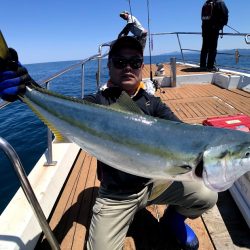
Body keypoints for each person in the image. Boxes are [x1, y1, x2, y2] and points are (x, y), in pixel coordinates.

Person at [0, 36, 218, 250]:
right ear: (109, 66)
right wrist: (27, 88)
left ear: (142, 66)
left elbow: (183, 133)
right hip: (116, 196)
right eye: (120, 62)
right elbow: (68, 110)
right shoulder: (98, 103)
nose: (128, 68)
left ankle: (173, 221)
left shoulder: (154, 104)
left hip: (154, 185)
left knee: (207, 196)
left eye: (134, 62)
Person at [200, 0, 229, 71]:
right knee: (212, 48)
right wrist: (221, 25)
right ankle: (210, 66)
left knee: (204, 47)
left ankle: (202, 65)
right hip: (214, 29)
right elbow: (225, 14)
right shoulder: (220, 2)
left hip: (205, 28)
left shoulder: (206, 3)